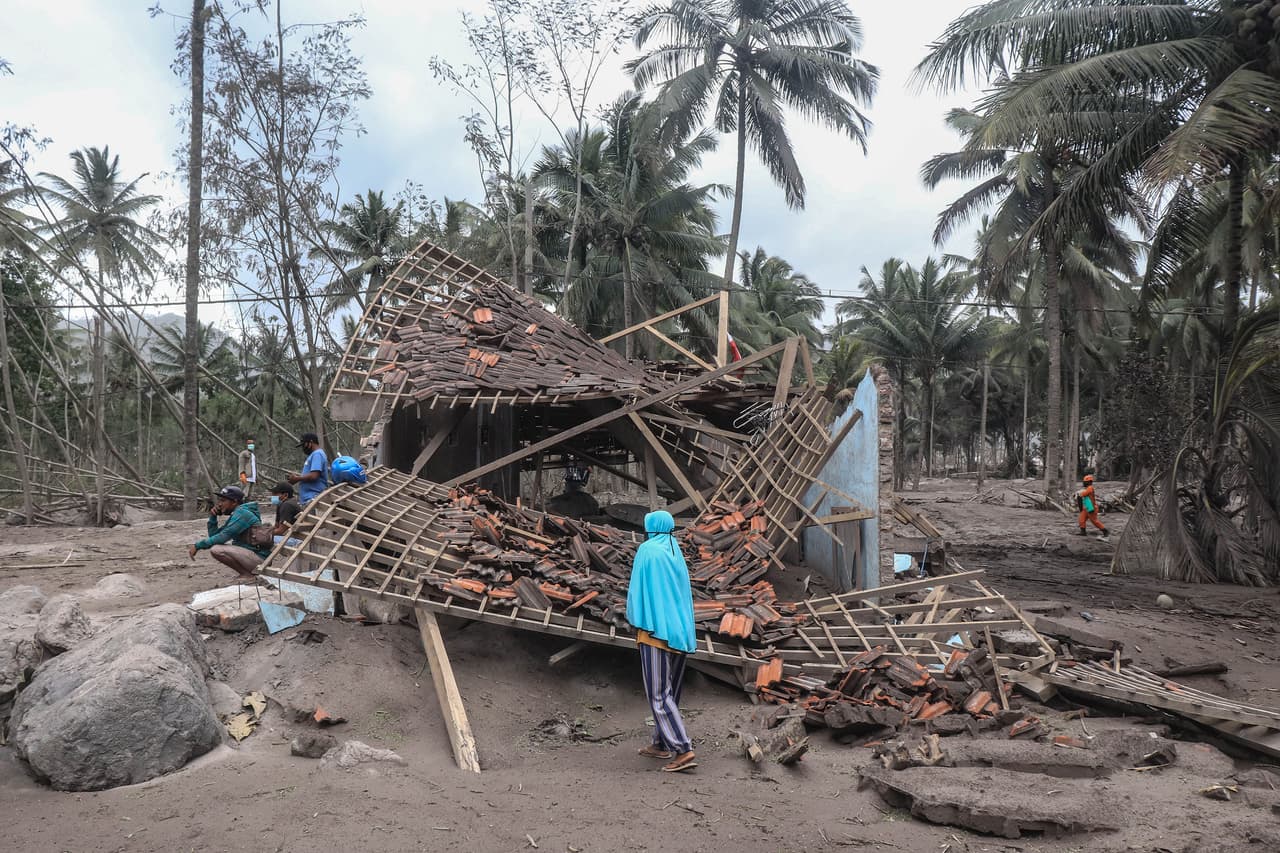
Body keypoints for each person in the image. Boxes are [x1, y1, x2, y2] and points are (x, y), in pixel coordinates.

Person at [625, 510, 697, 773]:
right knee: (670, 694)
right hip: (680, 633)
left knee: (658, 695)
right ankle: (661, 743)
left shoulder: (647, 550)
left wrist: (633, 617)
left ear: (650, 528)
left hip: (655, 632)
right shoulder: (675, 551)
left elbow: (637, 589)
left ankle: (683, 749)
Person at [188, 485, 271, 577]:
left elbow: (222, 537)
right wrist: (213, 517)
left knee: (217, 550)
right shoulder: (237, 513)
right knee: (216, 547)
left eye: (223, 501)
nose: (219, 504)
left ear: (234, 502)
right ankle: (247, 574)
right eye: (219, 500)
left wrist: (198, 546)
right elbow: (214, 536)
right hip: (253, 557)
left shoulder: (242, 513)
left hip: (260, 560)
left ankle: (247, 574)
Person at [288, 432, 329, 505]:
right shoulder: (314, 455)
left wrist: (297, 479)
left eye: (304, 445)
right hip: (309, 498)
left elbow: (314, 475)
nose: (303, 448)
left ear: (311, 442)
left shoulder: (317, 454)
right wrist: (296, 478)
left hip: (314, 497)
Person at [1076, 474, 1108, 540]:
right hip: (1087, 507)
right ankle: (1083, 532)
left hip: (1092, 508)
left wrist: (1079, 494)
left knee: (1094, 521)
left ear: (1089, 482)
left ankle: (1105, 531)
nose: (1083, 483)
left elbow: (1084, 494)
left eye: (1085, 482)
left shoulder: (1090, 488)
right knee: (1081, 518)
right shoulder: (1087, 488)